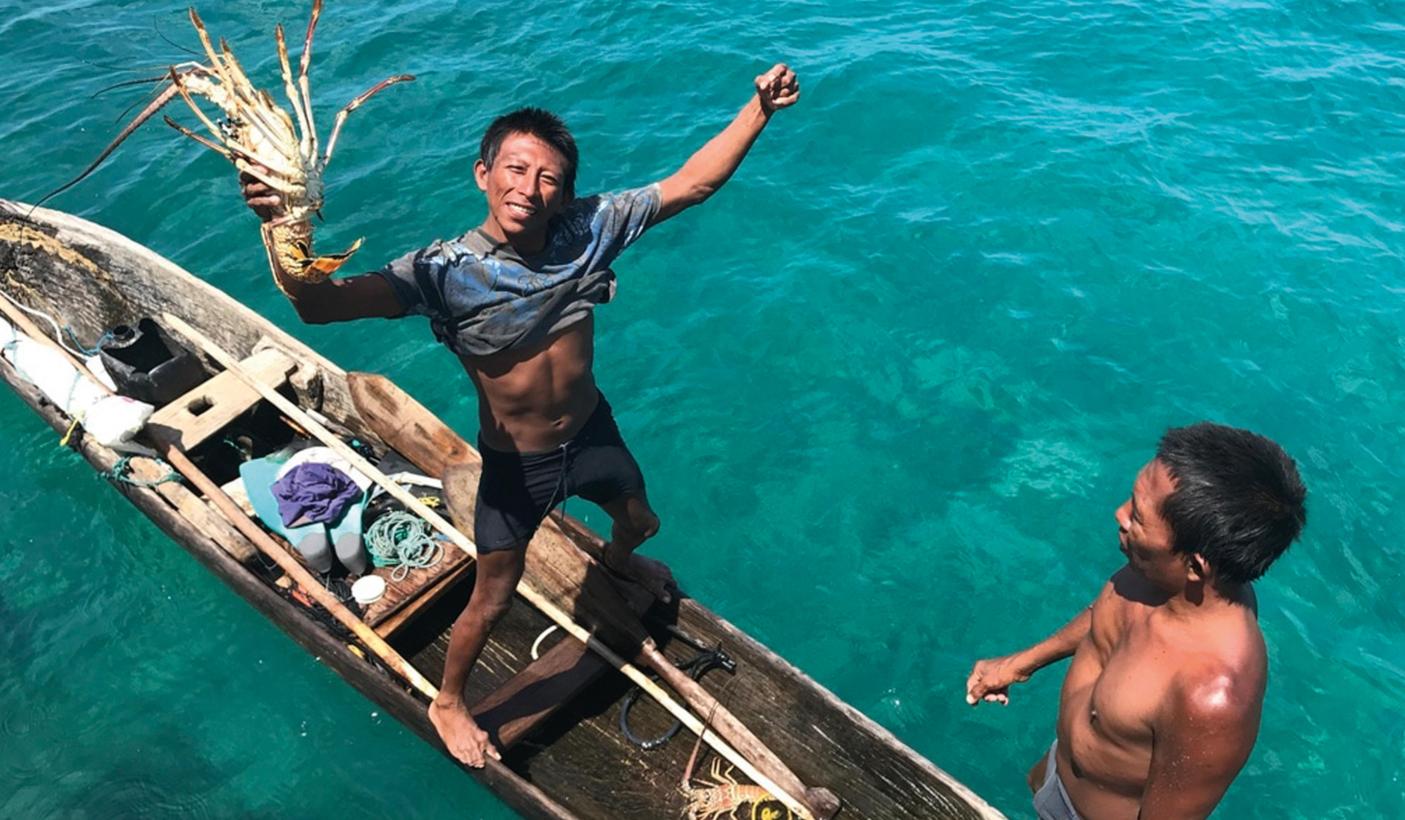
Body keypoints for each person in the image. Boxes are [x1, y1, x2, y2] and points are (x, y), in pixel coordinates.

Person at [241, 64, 801, 768]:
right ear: (482, 174)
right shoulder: (439, 272)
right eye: (514, 168)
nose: (527, 188)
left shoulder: (588, 227)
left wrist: (758, 110)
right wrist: (275, 228)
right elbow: (319, 306)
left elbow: (692, 183)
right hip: (518, 465)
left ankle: (616, 562)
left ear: (564, 192)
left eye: (547, 178)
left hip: (592, 432)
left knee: (640, 522)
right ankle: (448, 702)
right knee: (494, 595)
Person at [966, 422, 1307, 819]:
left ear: (1195, 566)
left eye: (1138, 518)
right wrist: (1021, 663)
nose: (1120, 515)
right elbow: (1109, 611)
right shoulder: (1158, 569)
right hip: (1059, 770)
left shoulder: (1211, 699)